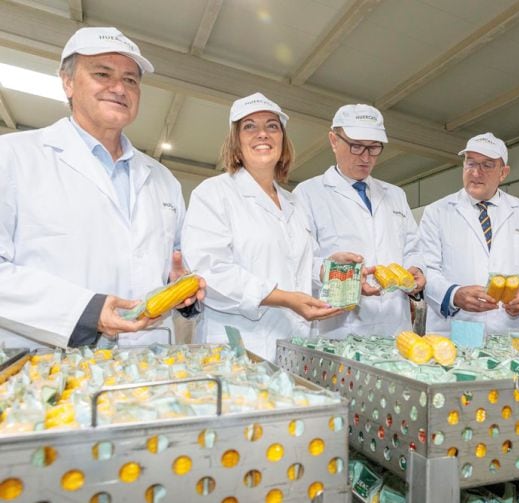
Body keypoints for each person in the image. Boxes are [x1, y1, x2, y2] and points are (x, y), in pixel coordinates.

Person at [0, 27, 203, 349]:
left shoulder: (163, 180)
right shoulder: (12, 156)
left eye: (131, 80)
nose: (119, 88)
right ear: (67, 82)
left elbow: (171, 267)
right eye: (102, 73)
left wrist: (179, 291)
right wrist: (86, 310)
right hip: (48, 365)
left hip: (146, 361)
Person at [182, 92, 351, 360]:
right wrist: (283, 298)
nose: (262, 134)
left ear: (283, 141)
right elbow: (209, 272)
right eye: (249, 126)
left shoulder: (293, 203)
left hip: (295, 343)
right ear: (235, 142)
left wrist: (331, 267)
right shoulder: (213, 193)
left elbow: (300, 267)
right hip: (239, 345)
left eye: (272, 126)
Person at [293, 104, 425, 339]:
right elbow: (299, 262)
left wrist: (416, 270)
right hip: (339, 327)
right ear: (334, 140)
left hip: (395, 325)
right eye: (356, 147)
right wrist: (334, 270)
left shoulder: (395, 194)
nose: (366, 158)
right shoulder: (307, 193)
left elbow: (413, 248)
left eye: (374, 148)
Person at [419, 132, 519, 334]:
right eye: (471, 163)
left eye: (487, 165)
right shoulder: (437, 212)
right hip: (457, 328)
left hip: (511, 329)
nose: (476, 172)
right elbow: (425, 268)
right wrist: (453, 294)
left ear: (503, 172)